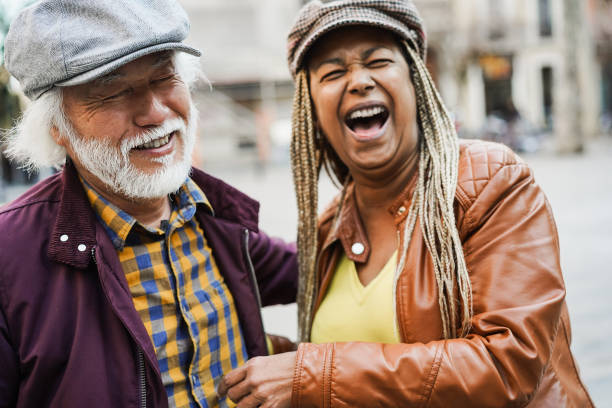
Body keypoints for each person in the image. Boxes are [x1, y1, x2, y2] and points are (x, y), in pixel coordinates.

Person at [217, 0, 594, 406]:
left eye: (377, 61)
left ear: (416, 80)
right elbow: (351, 367)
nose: (359, 81)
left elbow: (506, 367)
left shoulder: (490, 182)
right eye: (333, 72)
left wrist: (311, 374)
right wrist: (281, 361)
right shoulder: (328, 229)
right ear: (310, 108)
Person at [0, 1, 297, 407]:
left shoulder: (214, 216)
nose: (155, 113)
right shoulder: (9, 257)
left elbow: (313, 267)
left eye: (164, 77)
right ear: (58, 129)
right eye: (113, 91)